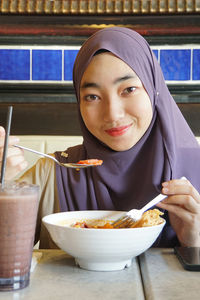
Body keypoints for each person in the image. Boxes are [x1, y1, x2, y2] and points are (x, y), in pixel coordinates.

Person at [0, 27, 200, 249]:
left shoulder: (195, 172)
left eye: (129, 89)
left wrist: (194, 243)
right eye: (93, 96)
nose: (113, 114)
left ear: (153, 90)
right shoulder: (52, 174)